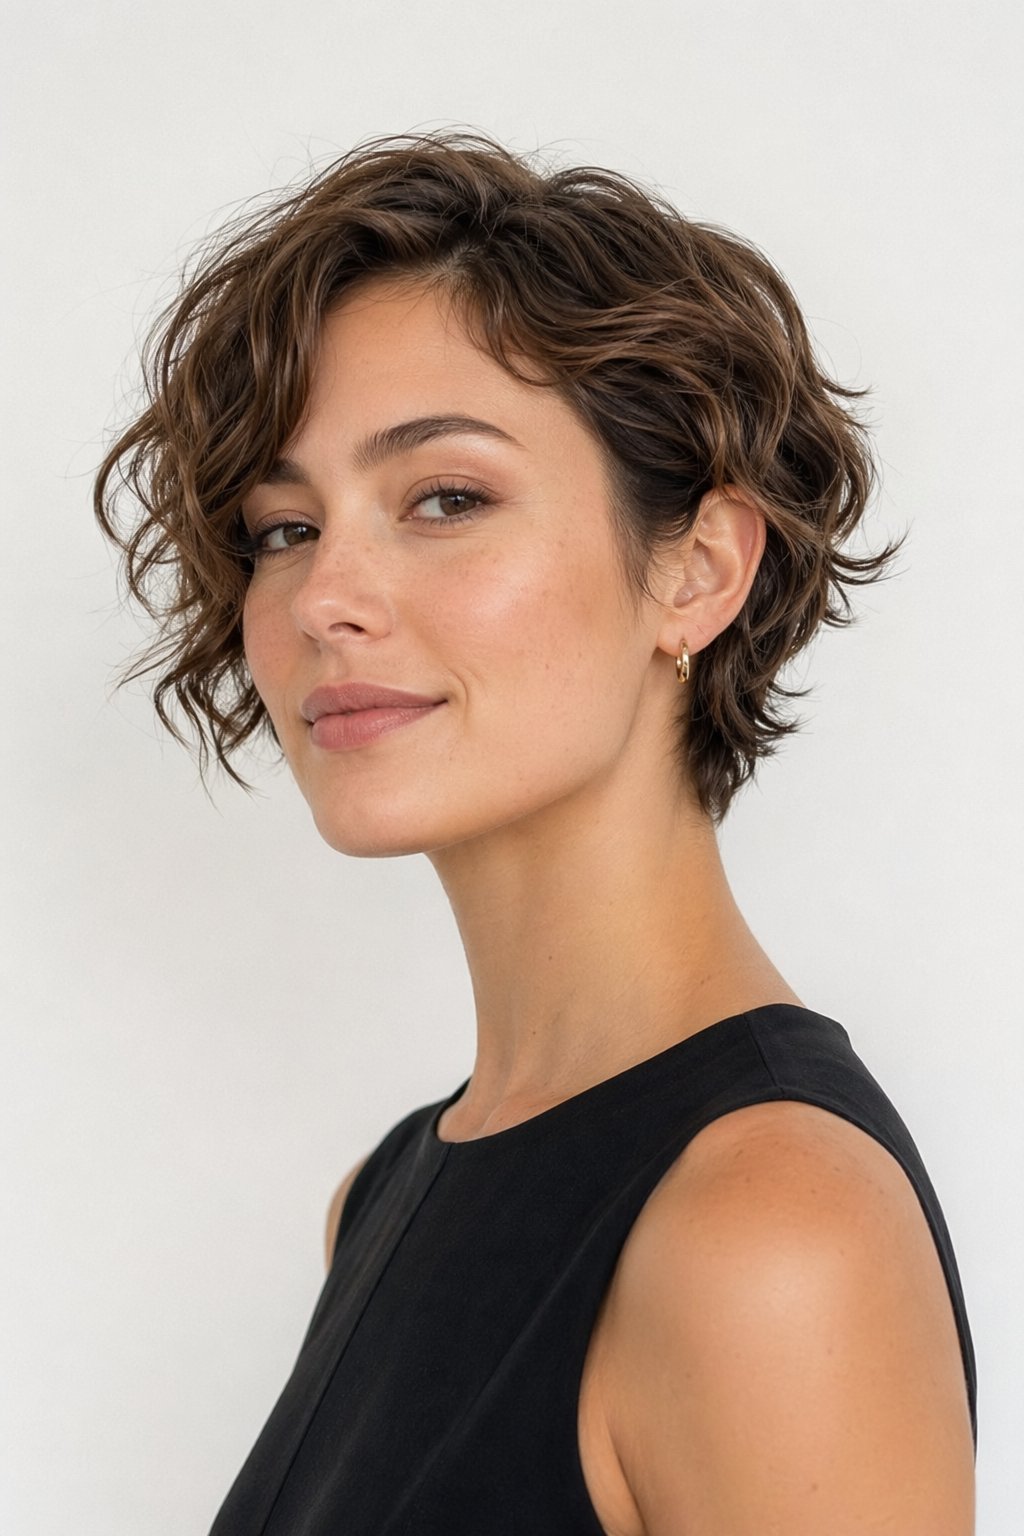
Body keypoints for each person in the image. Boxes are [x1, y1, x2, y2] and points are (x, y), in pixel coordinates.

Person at [94, 128, 977, 1535]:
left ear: (695, 569)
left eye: (447, 498)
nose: (328, 594)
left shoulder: (769, 1230)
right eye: (281, 527)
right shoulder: (386, 1194)